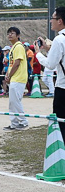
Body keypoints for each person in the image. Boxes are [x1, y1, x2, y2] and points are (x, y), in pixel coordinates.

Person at [35, 7, 65, 138]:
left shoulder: (59, 40)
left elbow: (50, 64)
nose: (50, 21)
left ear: (60, 20)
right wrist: (49, 50)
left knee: (61, 124)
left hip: (63, 88)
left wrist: (38, 54)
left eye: (52, 18)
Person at [4, 27, 29, 130]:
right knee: (12, 102)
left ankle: (23, 122)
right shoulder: (13, 47)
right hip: (14, 78)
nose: (10, 35)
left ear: (18, 35)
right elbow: (11, 64)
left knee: (15, 102)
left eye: (12, 33)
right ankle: (14, 123)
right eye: (9, 33)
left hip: (18, 78)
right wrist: (7, 74)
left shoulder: (18, 46)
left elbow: (17, 63)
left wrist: (9, 76)